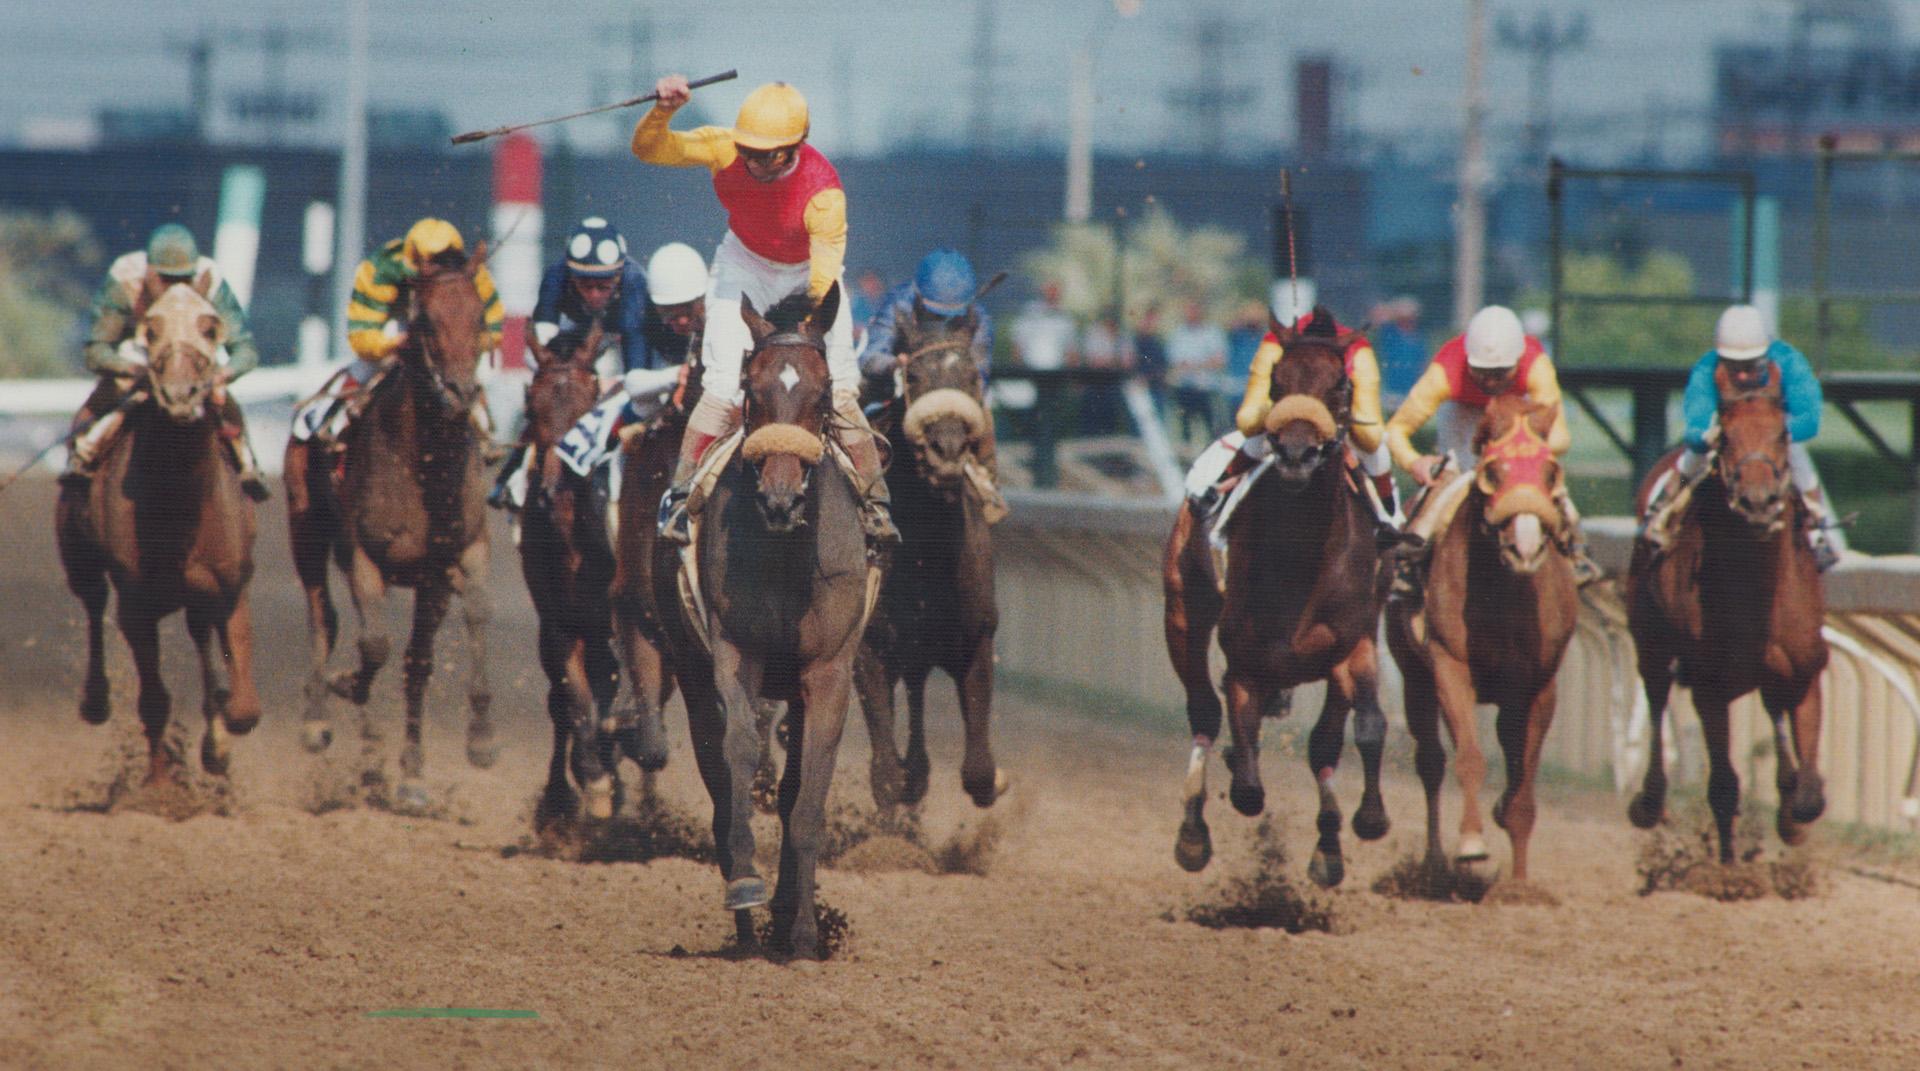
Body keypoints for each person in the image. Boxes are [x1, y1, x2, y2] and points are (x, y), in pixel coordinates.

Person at [632, 73, 896, 546]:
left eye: (766, 154)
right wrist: (664, 108)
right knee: (719, 388)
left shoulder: (824, 192)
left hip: (808, 275)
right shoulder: (722, 148)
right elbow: (649, 150)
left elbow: (822, 278)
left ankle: (876, 503)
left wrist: (800, 329)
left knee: (839, 391)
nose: (753, 162)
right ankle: (680, 497)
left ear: (795, 146)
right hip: (743, 264)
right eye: (748, 150)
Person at [1384, 304, 1601, 591]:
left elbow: (1561, 438)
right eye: (1481, 371)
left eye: (1500, 373)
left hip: (1517, 418)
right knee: (1448, 482)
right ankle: (1409, 562)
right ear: (1467, 361)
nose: (1490, 382)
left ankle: (1577, 551)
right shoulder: (1444, 371)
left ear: (1518, 360)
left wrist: (1517, 453)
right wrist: (1415, 462)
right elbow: (1395, 431)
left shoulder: (1537, 365)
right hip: (1462, 415)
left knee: (1553, 487)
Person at [490, 227, 708, 507]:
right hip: (574, 341)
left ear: (618, 276)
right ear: (570, 276)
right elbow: (541, 357)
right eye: (586, 285)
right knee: (552, 394)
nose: (594, 295)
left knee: (637, 400)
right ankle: (510, 473)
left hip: (622, 340)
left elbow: (635, 377)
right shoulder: (555, 278)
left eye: (604, 286)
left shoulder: (635, 285)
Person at [61, 222, 270, 501]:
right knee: (115, 392)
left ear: (196, 272)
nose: (177, 288)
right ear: (149, 272)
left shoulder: (212, 280)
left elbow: (245, 348)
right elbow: (96, 349)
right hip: (140, 353)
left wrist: (223, 374)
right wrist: (132, 370)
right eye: (167, 279)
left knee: (222, 398)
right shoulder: (125, 277)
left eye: (185, 279)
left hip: (194, 360)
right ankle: (85, 453)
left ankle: (246, 462)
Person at [1640, 304, 1845, 570]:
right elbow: (1695, 421)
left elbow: (1809, 419)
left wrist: (1776, 433)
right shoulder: (1707, 368)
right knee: (1692, 457)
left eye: (1750, 366)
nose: (1742, 375)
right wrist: (1704, 436)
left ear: (1765, 355)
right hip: (1728, 433)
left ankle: (1818, 532)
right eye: (1733, 366)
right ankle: (1661, 511)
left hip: (1772, 435)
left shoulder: (1789, 362)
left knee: (1796, 454)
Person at [287, 217, 504, 462]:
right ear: (415, 261)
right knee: (365, 368)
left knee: (480, 372)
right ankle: (331, 425)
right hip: (393, 325)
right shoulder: (380, 269)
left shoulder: (471, 273)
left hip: (449, 337)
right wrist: (395, 343)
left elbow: (494, 327)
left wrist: (467, 345)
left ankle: (486, 433)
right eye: (433, 264)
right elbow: (362, 338)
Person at [1182, 305, 1400, 534]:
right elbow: (1248, 418)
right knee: (1256, 443)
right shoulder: (1277, 346)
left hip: (1336, 430)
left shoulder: (1357, 351)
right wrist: (1282, 415)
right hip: (1285, 428)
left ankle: (1388, 519)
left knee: (1376, 449)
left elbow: (1370, 431)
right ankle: (1217, 493)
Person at [856, 248, 1005, 518]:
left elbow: (980, 372)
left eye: (951, 314)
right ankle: (859, 488)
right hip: (898, 386)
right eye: (935, 313)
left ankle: (988, 485)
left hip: (955, 388)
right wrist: (895, 364)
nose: (942, 321)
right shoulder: (897, 304)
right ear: (919, 297)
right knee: (858, 404)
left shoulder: (978, 317)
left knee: (984, 410)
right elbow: (868, 359)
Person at [1166, 301, 1228, 445]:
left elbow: (1220, 361)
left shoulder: (1212, 332)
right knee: (1185, 431)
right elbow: (1176, 362)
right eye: (1189, 310)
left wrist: (1193, 365)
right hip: (1185, 388)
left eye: (1195, 310)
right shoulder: (1178, 334)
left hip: (1207, 388)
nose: (1192, 313)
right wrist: (1204, 363)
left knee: (1213, 430)